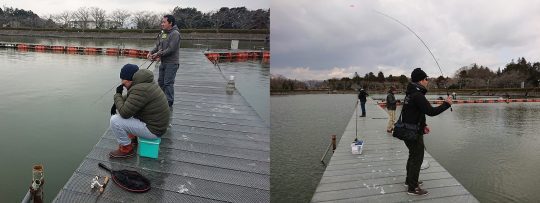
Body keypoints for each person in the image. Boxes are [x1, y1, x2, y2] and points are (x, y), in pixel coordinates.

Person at [402, 68, 452, 195]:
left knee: (412, 156)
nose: (427, 81)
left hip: (409, 130)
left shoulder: (410, 93)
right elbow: (431, 112)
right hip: (413, 133)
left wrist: (423, 125)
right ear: (420, 80)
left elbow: (414, 113)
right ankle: (412, 188)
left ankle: (410, 181)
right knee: (417, 158)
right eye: (426, 79)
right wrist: (446, 104)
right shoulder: (417, 95)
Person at [109, 64, 171, 158]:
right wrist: (118, 101)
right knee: (128, 110)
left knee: (115, 120)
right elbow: (130, 100)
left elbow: (125, 113)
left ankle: (126, 149)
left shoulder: (140, 89)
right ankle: (133, 138)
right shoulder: (145, 84)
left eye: (123, 81)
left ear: (131, 80)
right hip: (157, 126)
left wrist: (117, 95)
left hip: (153, 131)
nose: (122, 84)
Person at [147, 14, 181, 109]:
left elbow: (171, 49)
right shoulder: (163, 33)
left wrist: (157, 54)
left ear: (170, 23)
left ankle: (169, 103)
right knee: (161, 82)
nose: (162, 24)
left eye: (164, 22)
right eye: (162, 22)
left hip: (172, 63)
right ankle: (161, 100)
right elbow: (158, 46)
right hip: (163, 62)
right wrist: (151, 52)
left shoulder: (175, 34)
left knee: (168, 83)